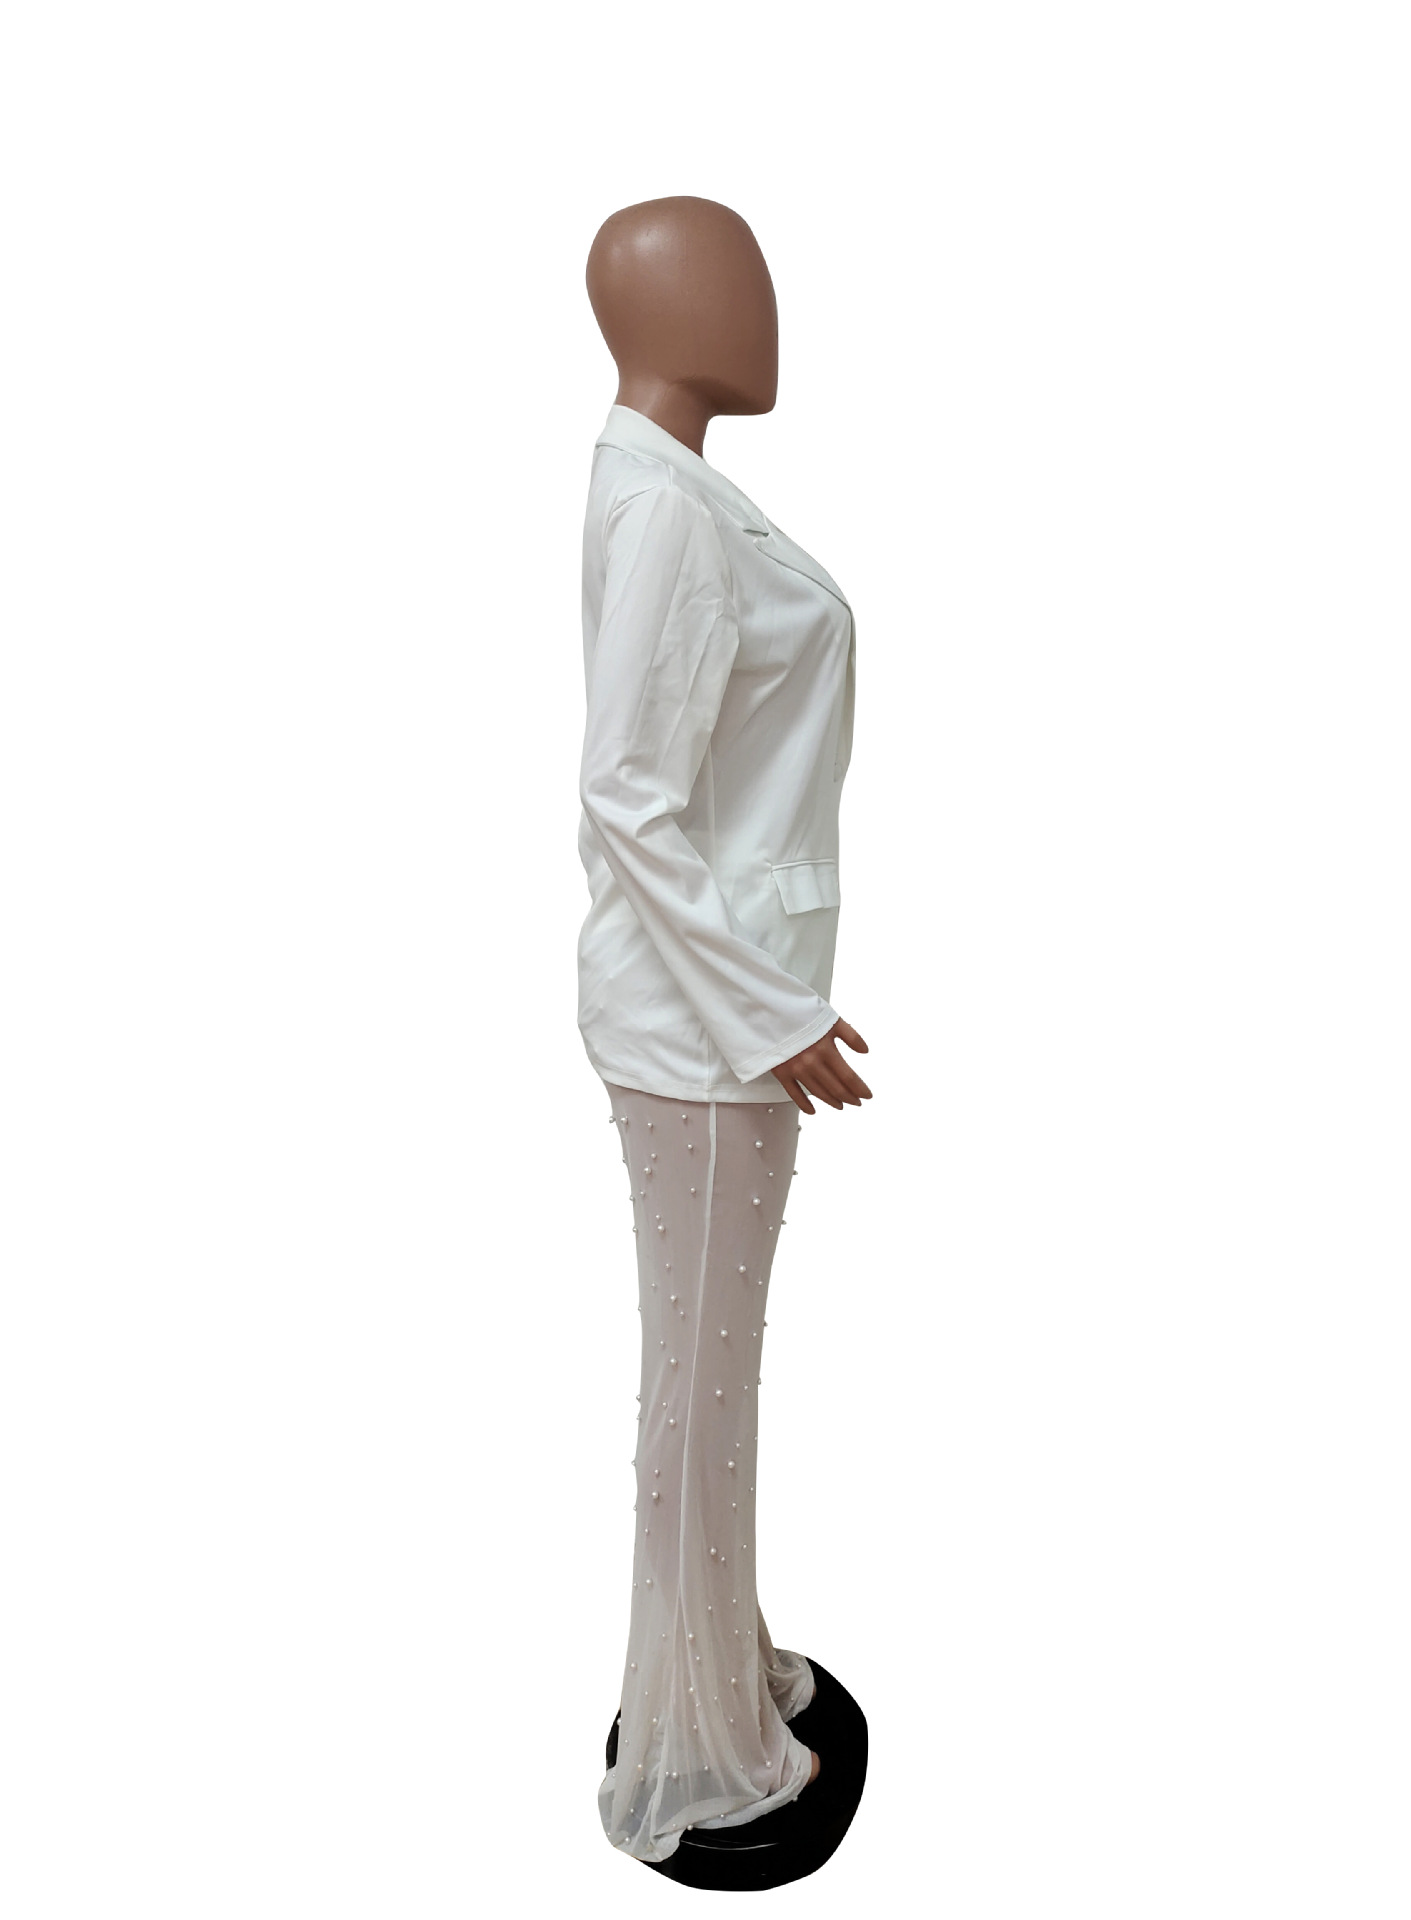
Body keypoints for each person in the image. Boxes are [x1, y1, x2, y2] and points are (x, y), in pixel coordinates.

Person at [577, 196, 870, 1867]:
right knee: (700, 1392)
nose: (764, 307)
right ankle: (694, 1753)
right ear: (656, 309)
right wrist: (771, 1015)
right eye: (732, 277)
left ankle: (714, 1668)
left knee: (710, 1387)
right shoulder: (666, 512)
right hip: (705, 1034)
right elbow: (626, 794)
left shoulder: (663, 486)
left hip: (716, 1013)